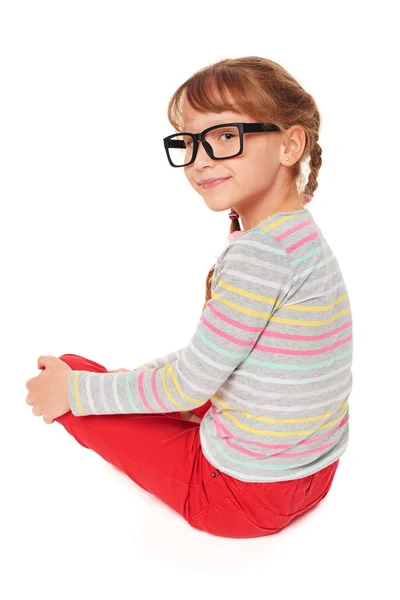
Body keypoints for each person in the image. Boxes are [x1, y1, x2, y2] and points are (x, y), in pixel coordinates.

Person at [30, 56, 352, 539]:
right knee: (126, 385)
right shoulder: (298, 237)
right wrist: (136, 382)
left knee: (68, 371)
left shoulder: (258, 256)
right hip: (315, 474)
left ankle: (92, 393)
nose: (201, 159)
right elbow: (220, 356)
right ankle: (124, 392)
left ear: (290, 145)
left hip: (241, 498)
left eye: (225, 136)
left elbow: (189, 385)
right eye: (189, 141)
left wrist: (75, 392)